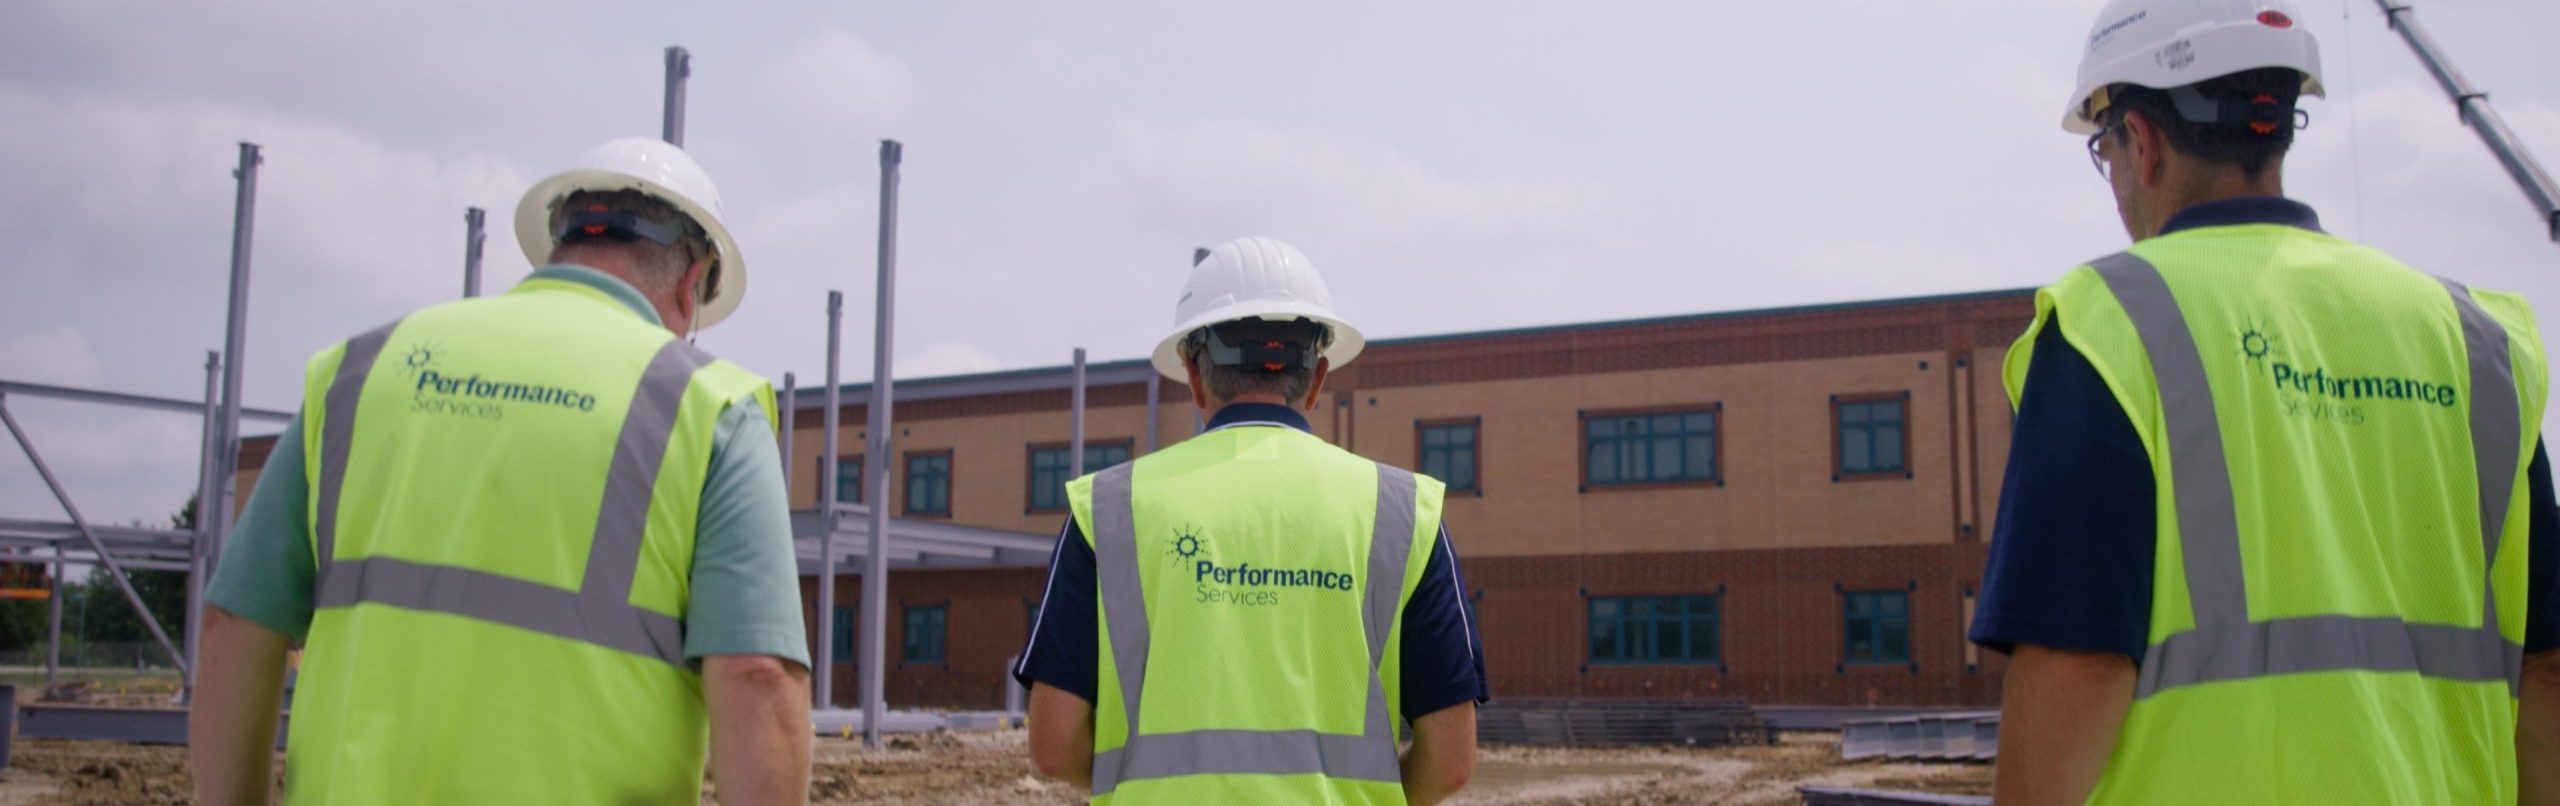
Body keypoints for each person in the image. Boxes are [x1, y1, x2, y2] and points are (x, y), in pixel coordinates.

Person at [1969, 1, 2560, 803]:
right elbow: (2545, 670)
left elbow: (2078, 665)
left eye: (2103, 148)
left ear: (2140, 143)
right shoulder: (2479, 344)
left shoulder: (2111, 327)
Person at [190, 137, 814, 805]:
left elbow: (234, 627)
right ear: (691, 290)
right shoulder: (706, 406)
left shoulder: (359, 373)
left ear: (558, 246)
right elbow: (756, 675)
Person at [1013, 237, 1487, 804]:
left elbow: (1054, 745)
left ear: (1192, 374)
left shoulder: (1110, 510)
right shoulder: (1403, 512)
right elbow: (1452, 760)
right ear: (1316, 378)